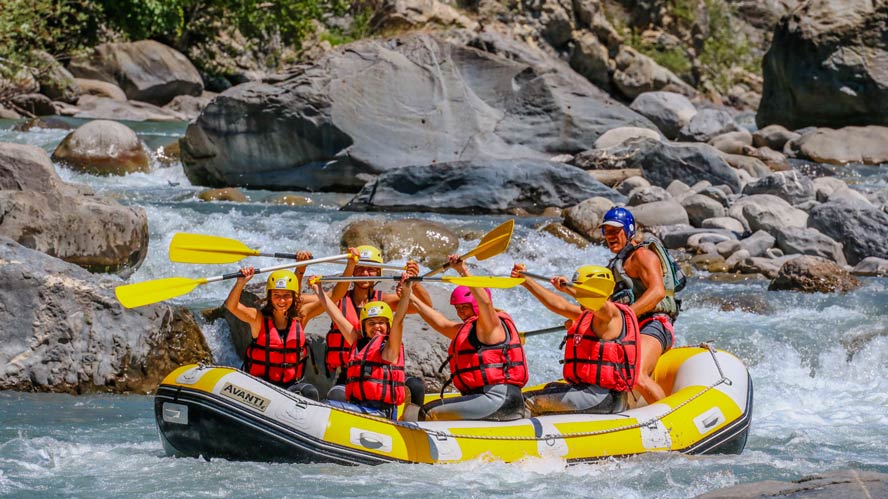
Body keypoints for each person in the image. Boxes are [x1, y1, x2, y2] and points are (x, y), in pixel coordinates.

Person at [407, 255, 528, 421]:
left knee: (427, 412)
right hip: (484, 398)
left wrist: (462, 270)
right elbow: (441, 323)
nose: (461, 312)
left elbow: (485, 304)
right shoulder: (471, 329)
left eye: (465, 307)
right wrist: (410, 296)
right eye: (458, 308)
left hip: (497, 399)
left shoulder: (491, 326)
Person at [511, 264, 639, 415]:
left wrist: (569, 288)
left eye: (579, 288)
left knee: (526, 401)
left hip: (600, 396)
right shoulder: (590, 315)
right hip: (592, 393)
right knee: (550, 389)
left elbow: (597, 303)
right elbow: (559, 305)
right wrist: (526, 280)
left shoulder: (611, 314)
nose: (578, 298)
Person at [324, 245, 431, 401]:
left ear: (379, 272)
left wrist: (414, 282)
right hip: (350, 372)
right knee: (338, 395)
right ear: (353, 270)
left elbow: (425, 307)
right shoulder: (337, 298)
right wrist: (300, 273)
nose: (365, 274)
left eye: (371, 269)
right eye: (359, 268)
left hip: (382, 369)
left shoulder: (384, 301)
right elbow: (298, 303)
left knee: (415, 386)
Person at [600, 206, 681, 403]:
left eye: (615, 231)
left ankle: (668, 422)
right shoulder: (615, 266)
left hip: (655, 324)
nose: (610, 235)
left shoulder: (642, 256)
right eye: (606, 231)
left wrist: (625, 315)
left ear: (629, 231)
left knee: (636, 375)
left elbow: (657, 291)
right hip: (631, 329)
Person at [312, 274, 413, 420]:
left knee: (328, 407)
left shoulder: (390, 348)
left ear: (388, 326)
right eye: (371, 323)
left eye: (381, 323)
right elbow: (337, 317)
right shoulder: (357, 342)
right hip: (359, 407)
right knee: (334, 395)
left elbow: (399, 321)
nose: (377, 327)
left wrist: (406, 293)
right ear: (364, 327)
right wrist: (318, 289)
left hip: (382, 413)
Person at [225, 266, 325, 400]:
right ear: (269, 297)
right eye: (276, 295)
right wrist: (241, 282)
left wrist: (350, 266)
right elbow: (231, 306)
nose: (281, 301)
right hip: (259, 385)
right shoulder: (258, 319)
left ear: (294, 297)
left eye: (286, 296)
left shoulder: (300, 318)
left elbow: (333, 298)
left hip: (289, 386)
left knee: (310, 392)